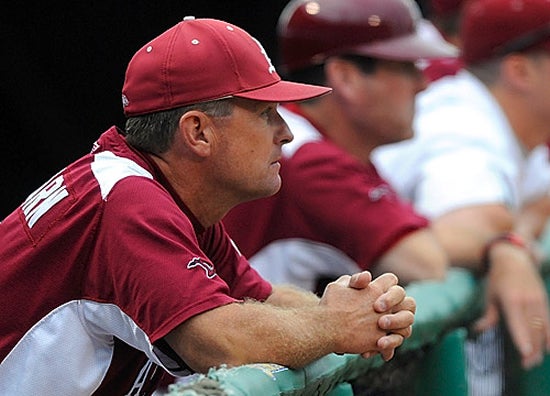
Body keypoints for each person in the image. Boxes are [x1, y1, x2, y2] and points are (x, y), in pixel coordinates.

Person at [0, 17, 417, 395]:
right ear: (198, 132)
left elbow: (257, 299)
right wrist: (334, 325)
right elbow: (219, 340)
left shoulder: (169, 195)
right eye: (265, 113)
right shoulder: (128, 201)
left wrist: (367, 312)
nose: (286, 132)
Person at [373, 0, 550, 393]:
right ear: (520, 70)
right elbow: (454, 230)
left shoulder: (513, 122)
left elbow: (541, 195)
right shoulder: (461, 123)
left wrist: (513, 235)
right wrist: (506, 247)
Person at [223, 0, 457, 294]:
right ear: (346, 77)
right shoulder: (305, 159)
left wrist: (500, 246)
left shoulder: (317, 140)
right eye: (406, 68)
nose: (422, 84)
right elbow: (429, 264)